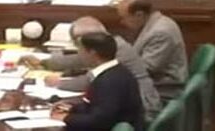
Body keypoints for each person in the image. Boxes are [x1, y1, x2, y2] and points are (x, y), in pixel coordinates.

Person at [20, 16, 161, 122]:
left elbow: (89, 85)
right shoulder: (107, 45)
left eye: (79, 46)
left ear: (90, 48)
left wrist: (59, 84)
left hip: (142, 106)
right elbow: (77, 60)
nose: (78, 49)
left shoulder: (114, 55)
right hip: (124, 106)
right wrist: (44, 63)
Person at [50, 32, 144, 131]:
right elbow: (97, 108)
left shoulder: (109, 81)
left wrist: (66, 118)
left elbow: (100, 120)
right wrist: (72, 108)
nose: (79, 54)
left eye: (81, 50)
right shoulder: (117, 71)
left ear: (92, 53)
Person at [118, 0, 188, 100]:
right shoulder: (154, 23)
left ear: (139, 15)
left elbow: (147, 69)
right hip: (155, 83)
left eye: (124, 17)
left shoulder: (160, 32)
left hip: (163, 89)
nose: (122, 22)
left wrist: (114, 69)